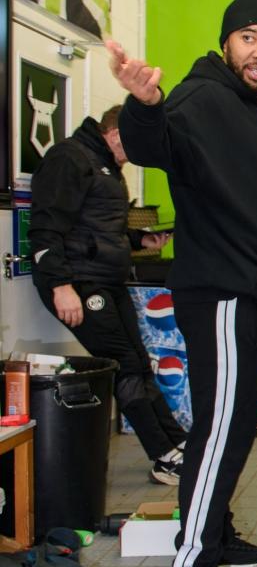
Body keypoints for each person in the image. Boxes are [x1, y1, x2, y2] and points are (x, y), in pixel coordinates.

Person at [107, 0, 257, 567]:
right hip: (224, 296)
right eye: (250, 38)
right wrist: (144, 105)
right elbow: (157, 146)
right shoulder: (200, 97)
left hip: (255, 292)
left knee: (230, 427)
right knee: (220, 432)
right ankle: (196, 551)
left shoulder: (254, 112)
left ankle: (216, 538)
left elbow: (244, 204)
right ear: (226, 40)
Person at [29, 105, 187, 486]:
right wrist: (59, 285)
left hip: (106, 281)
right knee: (124, 365)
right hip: (80, 284)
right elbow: (46, 225)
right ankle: (164, 456)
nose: (138, 152)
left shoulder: (106, 165)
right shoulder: (69, 157)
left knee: (138, 361)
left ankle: (177, 442)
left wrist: (140, 239)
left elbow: (99, 230)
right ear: (116, 132)